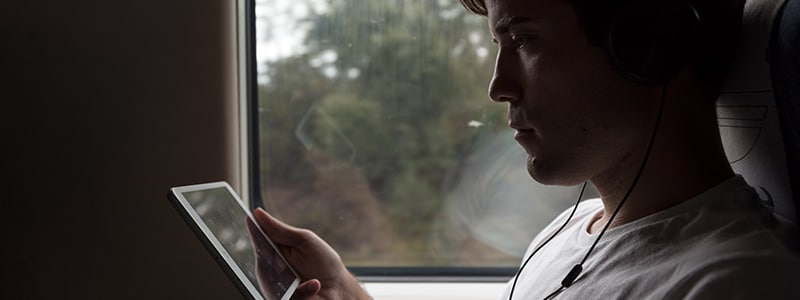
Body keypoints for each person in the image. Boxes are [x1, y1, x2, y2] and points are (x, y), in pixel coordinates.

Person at [253, 0, 800, 298]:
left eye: (524, 40)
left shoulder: (735, 283)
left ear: (648, 45)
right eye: (499, 45)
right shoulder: (570, 232)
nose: (498, 87)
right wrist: (346, 292)